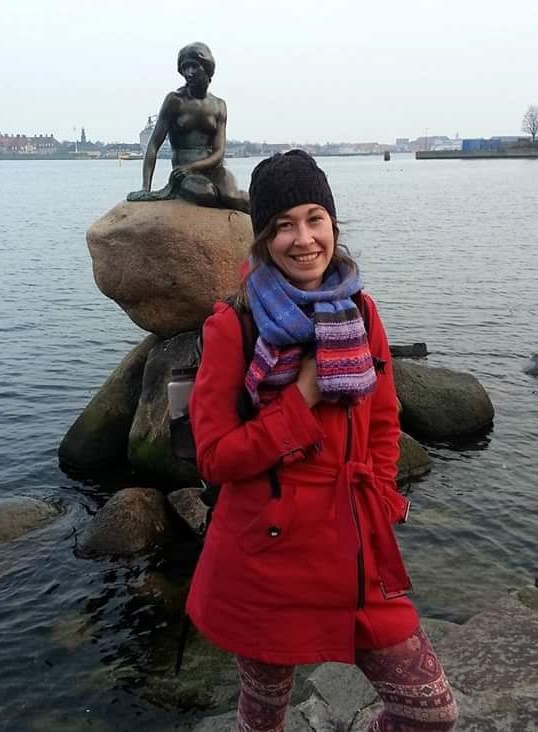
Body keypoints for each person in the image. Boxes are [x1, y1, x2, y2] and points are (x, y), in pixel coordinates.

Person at [186, 150, 458, 731]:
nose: (304, 239)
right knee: (264, 715)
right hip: (266, 561)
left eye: (315, 218)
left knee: (430, 712)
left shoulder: (361, 311)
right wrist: (302, 397)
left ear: (333, 223)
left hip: (356, 549)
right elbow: (214, 458)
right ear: (264, 239)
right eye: (283, 225)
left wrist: (380, 497)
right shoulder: (233, 325)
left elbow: (383, 420)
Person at [127, 42, 249, 213]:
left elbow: (219, 151)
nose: (188, 73)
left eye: (194, 66)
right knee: (208, 194)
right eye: (184, 68)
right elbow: (153, 144)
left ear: (207, 67)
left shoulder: (219, 105)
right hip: (184, 172)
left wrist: (194, 166)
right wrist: (145, 188)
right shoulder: (175, 100)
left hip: (214, 169)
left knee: (233, 197)